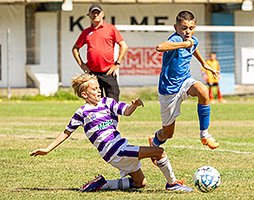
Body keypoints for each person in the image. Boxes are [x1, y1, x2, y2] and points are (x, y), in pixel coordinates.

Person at [29, 74, 193, 193]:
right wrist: (47, 149)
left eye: (99, 88)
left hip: (119, 149)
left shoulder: (107, 102)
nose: (99, 91)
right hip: (115, 150)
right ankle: (172, 184)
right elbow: (66, 132)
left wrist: (134, 105)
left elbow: (126, 111)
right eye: (94, 89)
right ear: (85, 94)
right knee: (159, 152)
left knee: (140, 184)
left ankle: (103, 184)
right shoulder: (82, 112)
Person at [148, 11, 220, 154]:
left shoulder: (193, 40)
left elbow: (193, 48)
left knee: (203, 91)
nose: (188, 31)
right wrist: (183, 44)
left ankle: (204, 134)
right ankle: (155, 140)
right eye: (184, 28)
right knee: (168, 134)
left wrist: (204, 64)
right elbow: (160, 47)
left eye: (191, 28)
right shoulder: (175, 39)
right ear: (176, 28)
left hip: (185, 81)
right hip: (169, 89)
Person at [72, 3, 127, 102]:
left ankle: (114, 118)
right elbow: (75, 49)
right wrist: (82, 65)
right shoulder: (86, 32)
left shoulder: (111, 29)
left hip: (108, 72)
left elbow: (124, 46)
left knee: (113, 104)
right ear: (89, 15)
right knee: (94, 103)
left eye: (98, 12)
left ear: (102, 14)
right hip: (92, 74)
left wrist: (117, 63)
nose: (96, 15)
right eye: (93, 13)